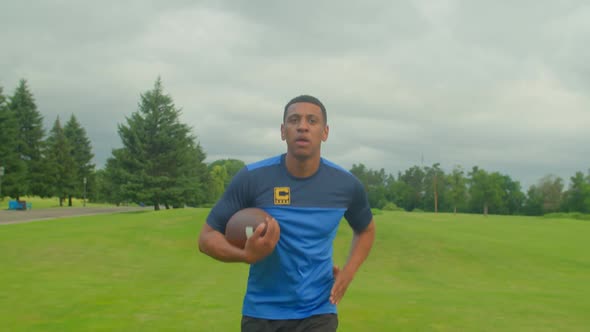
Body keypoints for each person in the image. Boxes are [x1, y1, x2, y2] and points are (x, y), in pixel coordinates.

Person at [198, 95, 375, 332]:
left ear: (325, 132)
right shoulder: (253, 178)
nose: (302, 126)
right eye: (294, 120)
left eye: (312, 121)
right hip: (261, 314)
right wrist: (245, 255)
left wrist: (348, 273)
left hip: (318, 312)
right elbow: (206, 238)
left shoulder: (346, 185)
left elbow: (366, 230)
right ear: (283, 131)